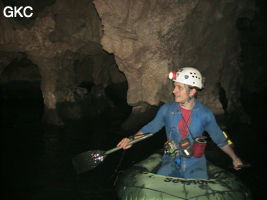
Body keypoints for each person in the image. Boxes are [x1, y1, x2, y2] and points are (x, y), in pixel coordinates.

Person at [117, 67, 243, 179]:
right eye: (175, 86)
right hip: (170, 160)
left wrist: (235, 158)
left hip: (195, 162)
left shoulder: (205, 114)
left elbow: (219, 138)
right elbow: (151, 127)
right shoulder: (167, 109)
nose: (174, 91)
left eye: (179, 88)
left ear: (192, 91)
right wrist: (131, 139)